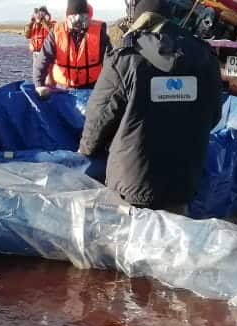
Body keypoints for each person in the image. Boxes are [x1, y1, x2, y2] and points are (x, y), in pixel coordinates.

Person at [77, 0, 223, 214]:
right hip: (182, 182)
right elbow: (214, 115)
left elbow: (99, 118)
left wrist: (86, 149)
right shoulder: (205, 59)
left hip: (131, 185)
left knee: (128, 242)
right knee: (171, 242)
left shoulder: (125, 59)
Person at [33, 0, 112, 98]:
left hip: (92, 89)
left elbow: (110, 63)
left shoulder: (99, 33)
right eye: (73, 17)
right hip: (62, 90)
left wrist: (109, 87)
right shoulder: (56, 32)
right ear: (67, 17)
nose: (78, 21)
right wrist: (39, 85)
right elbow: (43, 59)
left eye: (83, 17)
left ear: (88, 16)